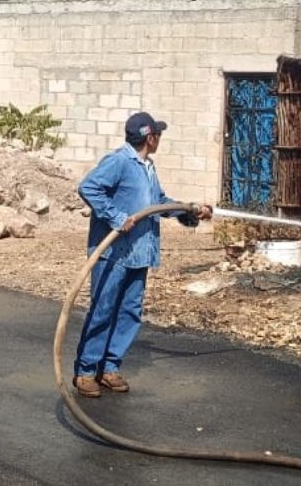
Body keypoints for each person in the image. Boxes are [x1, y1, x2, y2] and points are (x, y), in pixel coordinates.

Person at [73, 112, 212, 398]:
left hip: (140, 252)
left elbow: (158, 203)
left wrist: (188, 211)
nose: (159, 138)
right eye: (158, 134)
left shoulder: (147, 167)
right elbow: (88, 187)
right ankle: (86, 371)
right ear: (150, 137)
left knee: (129, 311)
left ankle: (109, 368)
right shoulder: (119, 162)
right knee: (103, 309)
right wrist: (115, 217)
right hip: (113, 253)